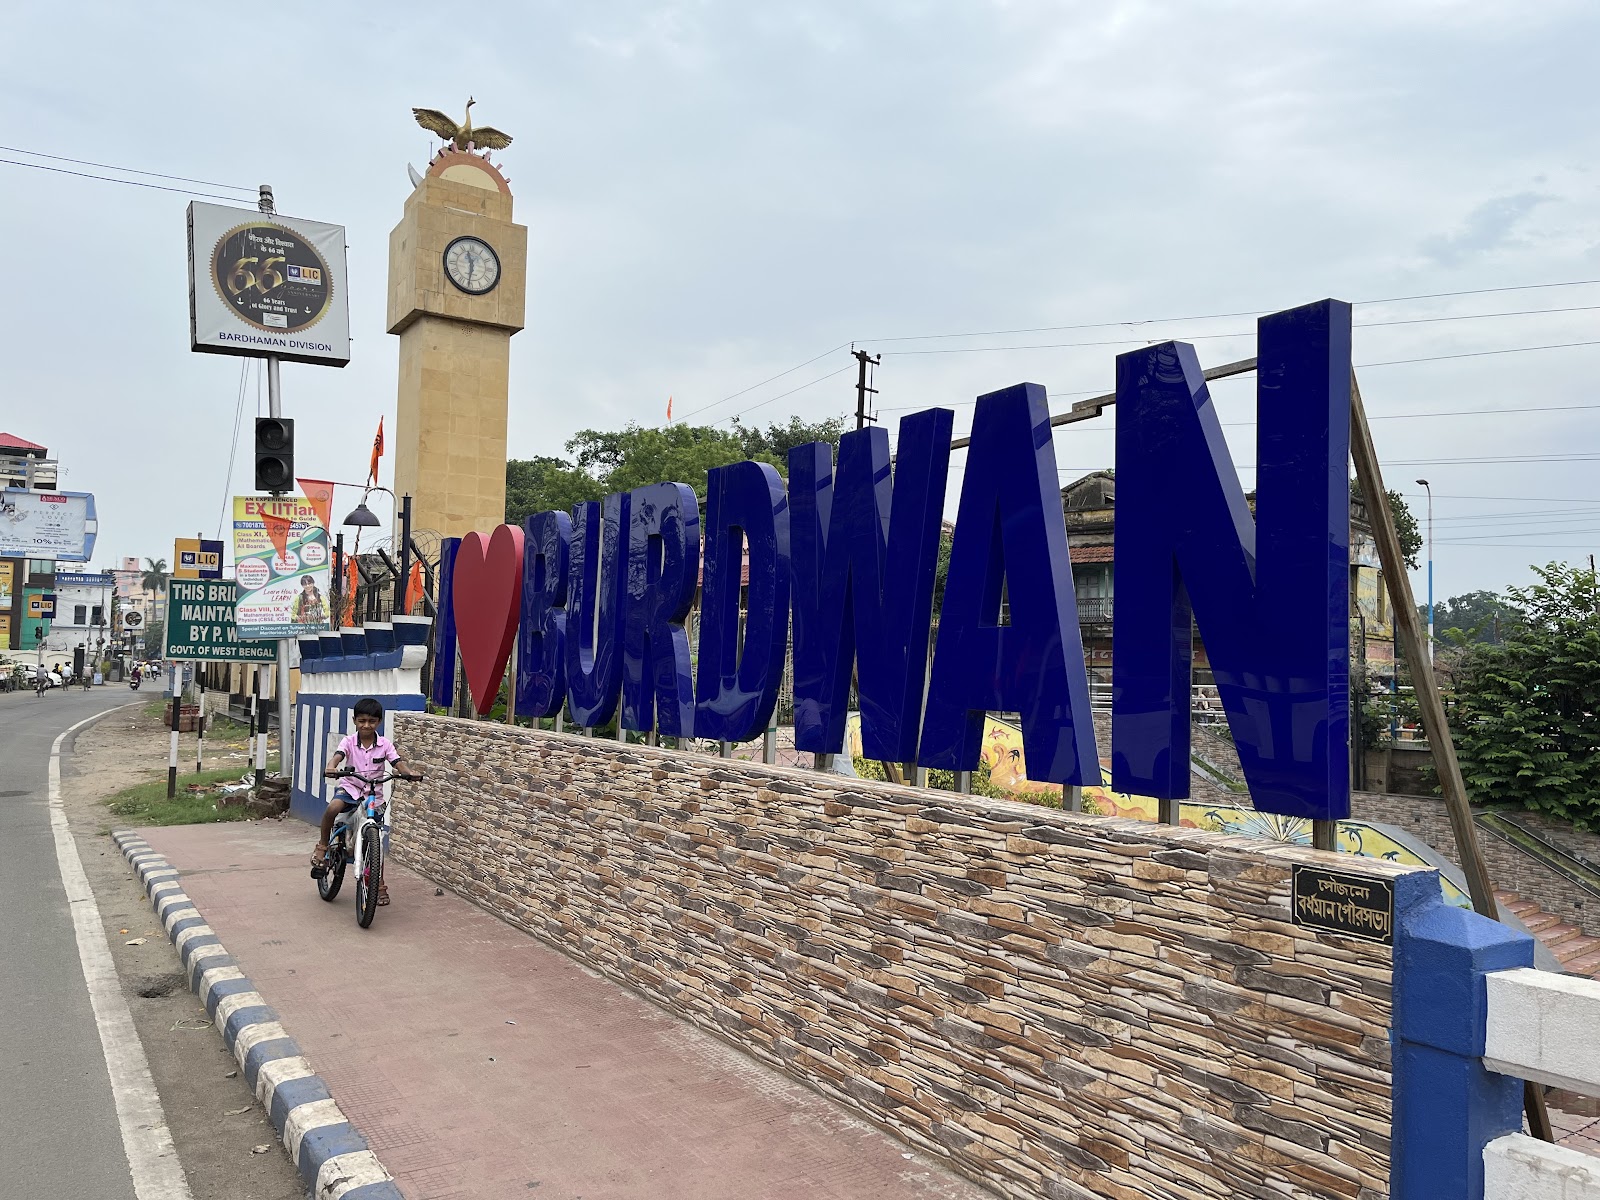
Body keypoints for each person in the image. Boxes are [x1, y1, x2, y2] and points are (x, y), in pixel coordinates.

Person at [312, 696, 412, 906]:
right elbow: (338, 756)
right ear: (355, 720)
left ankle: (379, 885)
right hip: (350, 788)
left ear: (379, 722)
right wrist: (332, 767)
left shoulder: (385, 744)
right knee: (333, 808)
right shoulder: (348, 741)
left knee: (374, 843)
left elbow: (397, 762)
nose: (367, 725)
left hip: (373, 795)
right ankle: (322, 845)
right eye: (362, 721)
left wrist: (408, 773)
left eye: (372, 721)